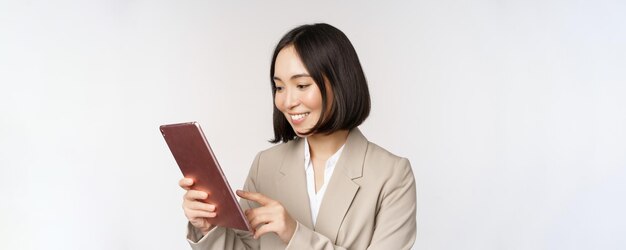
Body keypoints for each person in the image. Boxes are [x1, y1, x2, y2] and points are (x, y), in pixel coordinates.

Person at [179, 23, 416, 249]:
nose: (288, 102)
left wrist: (294, 234)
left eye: (302, 85)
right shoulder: (266, 165)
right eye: (280, 87)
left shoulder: (392, 175)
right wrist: (208, 228)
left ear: (340, 83)